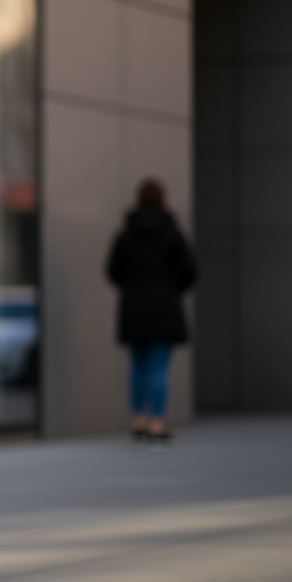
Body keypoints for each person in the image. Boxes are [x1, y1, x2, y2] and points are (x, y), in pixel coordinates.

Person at [106, 179, 197, 443]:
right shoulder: (172, 233)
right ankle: (156, 423)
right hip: (164, 307)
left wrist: (133, 287)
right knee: (158, 367)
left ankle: (137, 420)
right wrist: (170, 287)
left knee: (137, 366)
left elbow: (112, 270)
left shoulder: (126, 234)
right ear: (163, 200)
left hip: (134, 307)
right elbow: (190, 270)